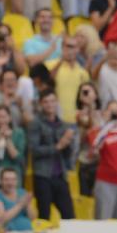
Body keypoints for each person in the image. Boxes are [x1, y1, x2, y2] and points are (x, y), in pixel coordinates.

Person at [29, 88, 75, 221]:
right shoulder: (35, 123)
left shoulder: (63, 124)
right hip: (43, 176)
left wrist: (68, 144)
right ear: (41, 104)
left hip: (60, 175)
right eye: (46, 102)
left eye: (52, 101)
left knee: (70, 216)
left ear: (57, 103)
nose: (50, 105)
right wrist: (58, 146)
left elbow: (68, 153)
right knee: (44, 216)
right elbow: (35, 150)